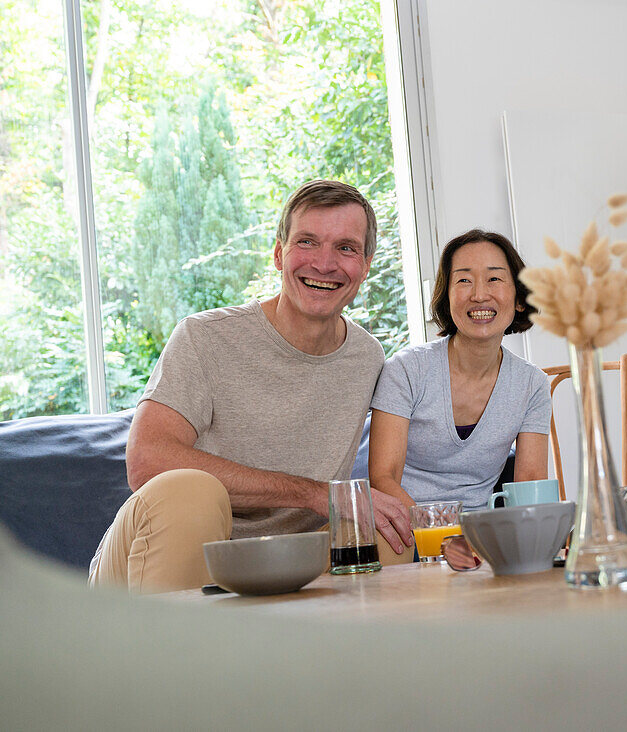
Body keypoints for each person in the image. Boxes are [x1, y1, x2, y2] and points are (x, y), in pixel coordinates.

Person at [89, 180, 414, 592]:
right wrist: (312, 494)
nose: (325, 263)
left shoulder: (367, 357)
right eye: (307, 242)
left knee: (388, 528)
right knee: (190, 491)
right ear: (279, 254)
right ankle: (170, 652)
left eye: (346, 248)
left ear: (365, 265)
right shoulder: (204, 337)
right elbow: (146, 461)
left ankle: (350, 653)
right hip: (169, 555)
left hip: (290, 561)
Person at [368, 229, 551, 531]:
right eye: (464, 280)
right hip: (399, 526)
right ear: (447, 297)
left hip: (480, 534)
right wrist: (444, 538)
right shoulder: (406, 369)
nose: (479, 294)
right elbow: (383, 478)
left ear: (519, 298)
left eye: (494, 279)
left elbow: (529, 486)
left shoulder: (532, 385)